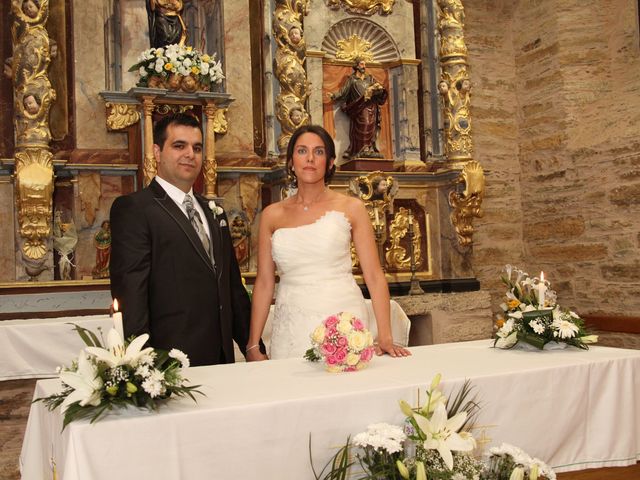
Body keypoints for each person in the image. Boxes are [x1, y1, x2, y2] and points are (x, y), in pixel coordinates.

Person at [247, 124, 410, 360]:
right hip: (290, 326)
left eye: (319, 152)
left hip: (343, 322)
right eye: (302, 151)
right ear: (291, 161)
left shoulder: (351, 207)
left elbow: (374, 275)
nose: (310, 158)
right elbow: (264, 282)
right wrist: (253, 344)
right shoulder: (272, 215)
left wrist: (385, 335)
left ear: (331, 162)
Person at [109, 113, 257, 366]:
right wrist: (144, 367)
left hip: (221, 361)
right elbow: (131, 295)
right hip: (169, 364)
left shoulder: (213, 211)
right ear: (157, 151)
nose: (190, 154)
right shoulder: (135, 209)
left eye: (197, 148)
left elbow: (232, 287)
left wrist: (251, 346)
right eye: (179, 146)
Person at [328, 58, 388, 159]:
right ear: (356, 66)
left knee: (371, 128)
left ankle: (369, 148)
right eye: (361, 64)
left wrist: (379, 89)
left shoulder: (370, 78)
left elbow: (378, 88)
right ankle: (362, 149)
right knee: (364, 126)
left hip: (371, 107)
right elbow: (343, 92)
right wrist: (333, 96)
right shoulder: (352, 80)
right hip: (359, 108)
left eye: (364, 64)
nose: (364, 66)